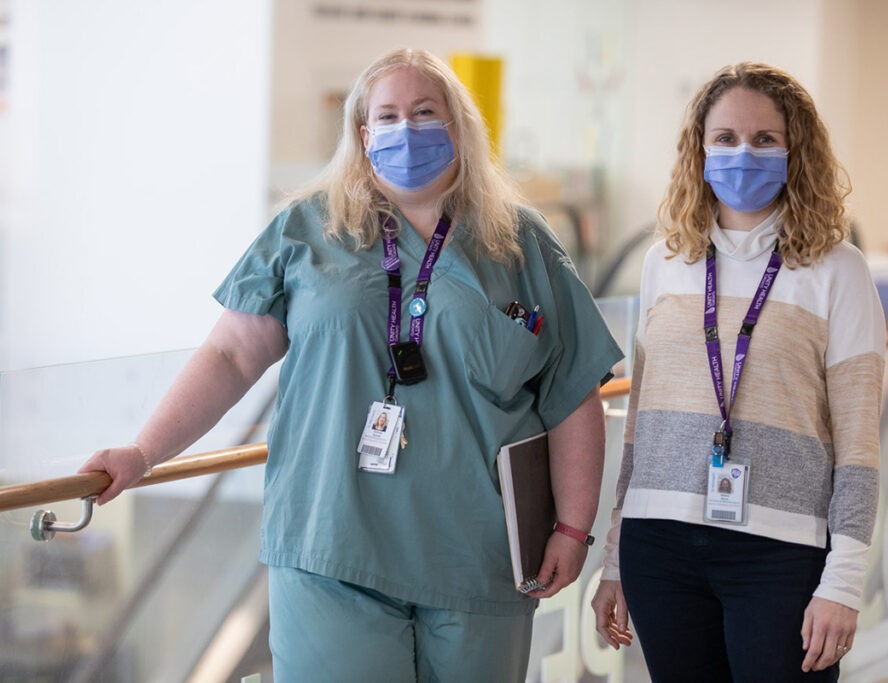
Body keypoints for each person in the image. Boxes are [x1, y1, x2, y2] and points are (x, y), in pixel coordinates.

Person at [80, 48, 622, 682]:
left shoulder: (519, 241)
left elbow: (572, 392)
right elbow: (230, 355)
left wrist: (572, 529)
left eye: (425, 112)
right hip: (329, 543)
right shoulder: (307, 230)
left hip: (477, 554)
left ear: (458, 128)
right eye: (386, 116)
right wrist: (142, 454)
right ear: (363, 135)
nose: (405, 129)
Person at [591, 62, 885, 682]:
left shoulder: (838, 270)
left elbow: (859, 447)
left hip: (781, 554)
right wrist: (615, 558)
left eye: (763, 139)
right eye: (724, 138)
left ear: (794, 150)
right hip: (660, 544)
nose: (741, 154)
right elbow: (640, 429)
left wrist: (846, 580)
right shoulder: (665, 263)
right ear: (699, 150)